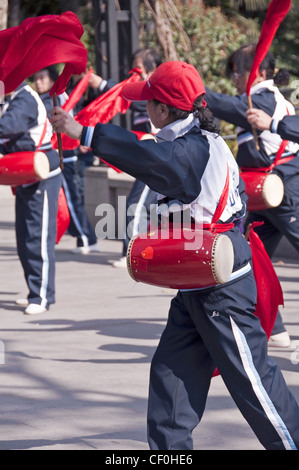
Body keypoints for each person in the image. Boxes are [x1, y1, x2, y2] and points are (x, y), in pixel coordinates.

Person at [51, 60, 299, 450]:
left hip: (221, 287)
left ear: (164, 110)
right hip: (197, 280)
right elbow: (147, 155)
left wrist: (83, 131)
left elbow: (148, 158)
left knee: (253, 382)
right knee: (170, 379)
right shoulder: (192, 141)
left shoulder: (193, 149)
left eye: (149, 102)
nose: (144, 108)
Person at [204, 44, 299, 348]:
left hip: (284, 190)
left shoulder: (264, 99)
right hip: (265, 195)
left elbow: (228, 107)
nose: (233, 77)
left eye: (237, 70)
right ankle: (275, 328)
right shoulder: (260, 98)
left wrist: (195, 92)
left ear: (256, 72)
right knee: (252, 259)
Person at [90, 48, 162, 268]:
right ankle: (141, 252)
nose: (134, 74)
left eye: (138, 69)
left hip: (157, 161)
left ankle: (133, 255)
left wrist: (103, 85)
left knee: (136, 206)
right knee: (149, 209)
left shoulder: (155, 93)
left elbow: (131, 96)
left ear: (152, 70)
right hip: (148, 160)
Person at [0, 81, 61, 315]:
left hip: (41, 173)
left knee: (38, 236)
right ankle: (34, 291)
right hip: (26, 171)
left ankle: (42, 295)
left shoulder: (24, 97)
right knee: (25, 237)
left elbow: (7, 127)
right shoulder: (15, 97)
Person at [33, 66, 99, 254]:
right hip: (58, 154)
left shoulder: (52, 99)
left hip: (64, 154)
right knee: (65, 199)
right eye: (36, 78)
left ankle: (86, 239)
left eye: (42, 78)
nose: (38, 82)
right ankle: (82, 238)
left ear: (53, 80)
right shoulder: (56, 97)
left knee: (71, 198)